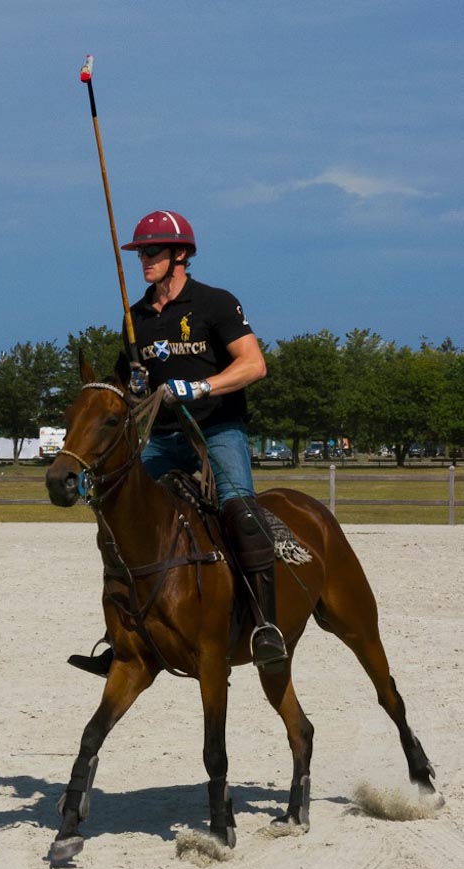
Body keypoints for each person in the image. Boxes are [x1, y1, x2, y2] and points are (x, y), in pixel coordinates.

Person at [68, 210, 287, 676]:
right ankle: (122, 636)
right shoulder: (136, 318)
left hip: (216, 430)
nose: (143, 259)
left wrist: (202, 387)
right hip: (163, 437)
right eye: (140, 252)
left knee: (242, 513)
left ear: (180, 255)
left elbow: (254, 365)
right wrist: (135, 390)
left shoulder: (215, 304)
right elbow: (123, 389)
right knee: (115, 513)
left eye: (152, 251)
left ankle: (265, 628)